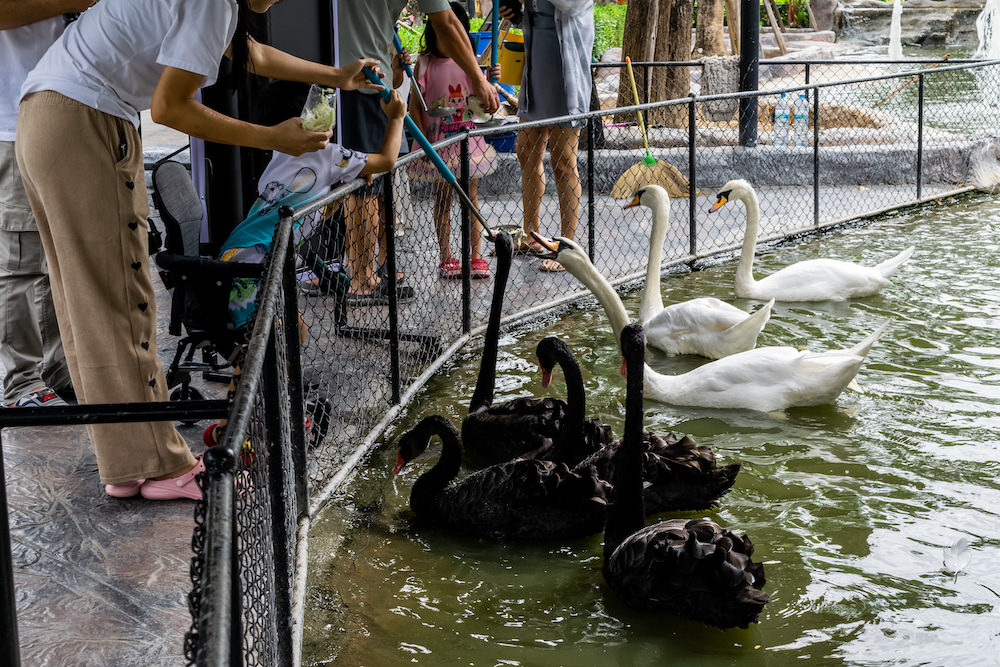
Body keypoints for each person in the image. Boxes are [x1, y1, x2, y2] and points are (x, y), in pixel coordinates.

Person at [14, 0, 381, 501]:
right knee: (122, 297)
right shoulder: (214, 0)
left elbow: (247, 53)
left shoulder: (215, 6)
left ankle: (127, 465)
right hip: (85, 119)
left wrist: (339, 76)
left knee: (89, 302)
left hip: (50, 115)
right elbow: (170, 108)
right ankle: (161, 466)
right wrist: (272, 138)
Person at [333, 0, 500, 300]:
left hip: (372, 81)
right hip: (368, 84)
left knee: (377, 181)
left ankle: (376, 269)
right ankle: (363, 278)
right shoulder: (426, 63)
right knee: (367, 184)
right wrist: (477, 75)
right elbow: (445, 22)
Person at [220, 81, 407, 330]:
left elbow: (311, 201)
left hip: (237, 251)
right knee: (266, 338)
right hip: (256, 262)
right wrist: (396, 117)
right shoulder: (329, 155)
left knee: (280, 334)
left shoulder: (279, 152)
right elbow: (386, 160)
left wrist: (351, 177)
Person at [0, 2, 85, 408]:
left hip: (72, 116)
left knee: (61, 256)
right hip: (12, 120)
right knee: (21, 260)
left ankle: (58, 369)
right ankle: (21, 383)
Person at [499, 0, 594, 272]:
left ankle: (568, 247)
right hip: (537, 69)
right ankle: (532, 236)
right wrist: (516, 14)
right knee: (526, 150)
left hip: (567, 75)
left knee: (564, 161)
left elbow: (571, 6)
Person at [409, 2, 498, 280]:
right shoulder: (423, 64)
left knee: (471, 200)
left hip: (467, 143)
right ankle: (447, 256)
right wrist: (422, 142)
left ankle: (476, 255)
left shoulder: (469, 65)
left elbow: (483, 101)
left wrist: (490, 81)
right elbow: (414, 107)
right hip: (438, 144)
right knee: (443, 200)